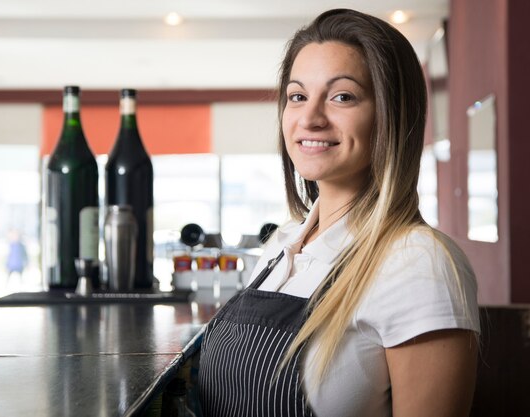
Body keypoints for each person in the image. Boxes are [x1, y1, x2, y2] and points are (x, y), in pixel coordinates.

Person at [198, 8, 479, 417]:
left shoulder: (419, 263)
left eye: (342, 96)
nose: (309, 118)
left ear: (389, 115)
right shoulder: (282, 244)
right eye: (297, 96)